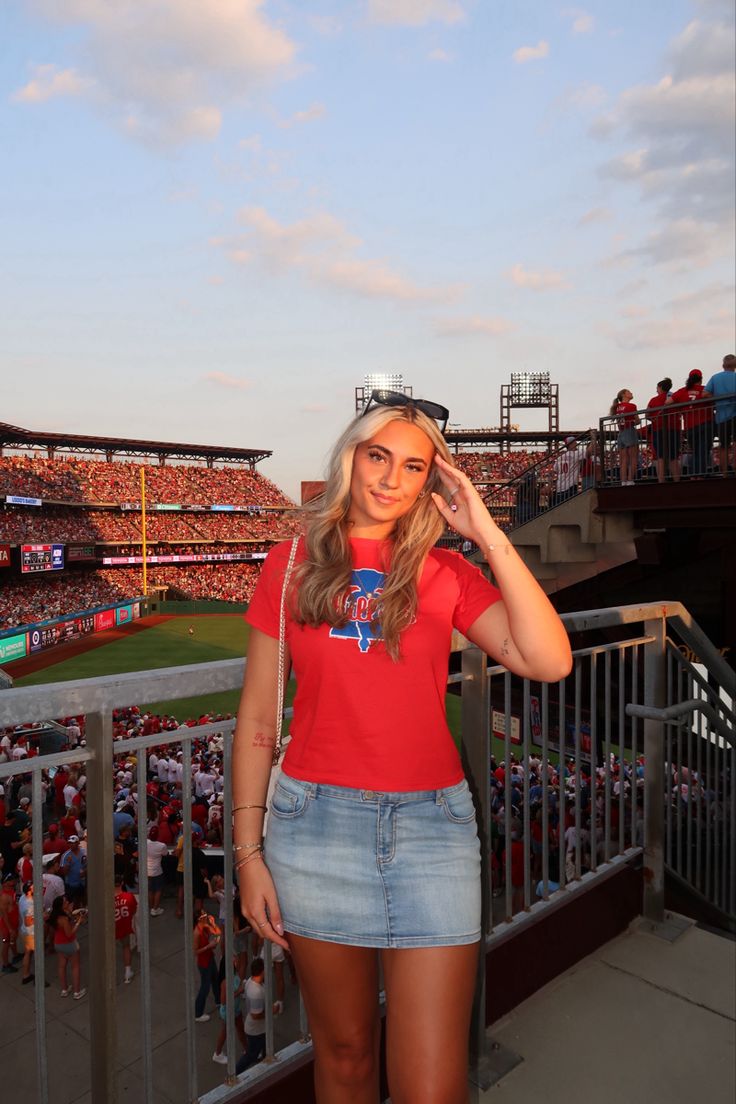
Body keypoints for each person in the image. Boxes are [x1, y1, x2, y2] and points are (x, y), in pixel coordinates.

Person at [232, 392, 572, 1103]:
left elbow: (548, 660)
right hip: (311, 829)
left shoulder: (447, 572)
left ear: (431, 481)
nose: (390, 479)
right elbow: (260, 719)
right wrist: (247, 854)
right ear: (350, 456)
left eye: (413, 466)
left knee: (432, 1086)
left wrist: (485, 530)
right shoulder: (289, 563)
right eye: (377, 456)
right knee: (347, 1057)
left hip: (431, 833)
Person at [671, 370, 713, 477]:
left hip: (690, 427)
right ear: (701, 379)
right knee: (703, 451)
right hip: (705, 423)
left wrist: (679, 407)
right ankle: (699, 475)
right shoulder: (705, 390)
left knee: (696, 452)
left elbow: (668, 402)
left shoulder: (683, 391)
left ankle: (694, 475)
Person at [47, 895, 87, 998]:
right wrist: (78, 922)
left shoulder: (54, 916)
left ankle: (64, 989)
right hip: (70, 944)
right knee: (75, 967)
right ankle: (77, 992)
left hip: (58, 944)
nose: (67, 902)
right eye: (65, 902)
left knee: (61, 966)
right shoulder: (63, 919)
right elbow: (69, 933)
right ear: (61, 906)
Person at [703, 354, 736, 474]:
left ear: (723, 365)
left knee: (724, 446)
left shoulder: (715, 378)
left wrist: (718, 398)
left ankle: (725, 473)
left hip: (721, 416)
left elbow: (704, 394)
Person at [235, 957, 267, 1075]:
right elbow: (256, 1015)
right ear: (262, 971)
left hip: (258, 1028)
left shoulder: (250, 981)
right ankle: (235, 1073)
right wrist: (271, 1011)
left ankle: (266, 1063)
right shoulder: (256, 992)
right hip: (256, 1030)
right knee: (251, 1054)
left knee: (265, 1047)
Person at [646, 378, 680, 483]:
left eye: (657, 388)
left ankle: (661, 480)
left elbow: (647, 415)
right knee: (673, 456)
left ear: (660, 388)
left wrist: (653, 418)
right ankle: (677, 480)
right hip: (674, 429)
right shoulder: (675, 398)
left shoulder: (653, 400)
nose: (656, 390)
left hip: (658, 429)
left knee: (660, 456)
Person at [193, 909, 221, 1022]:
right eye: (204, 915)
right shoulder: (197, 933)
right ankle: (198, 1013)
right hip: (204, 963)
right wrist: (208, 946)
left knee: (215, 980)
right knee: (205, 987)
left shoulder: (205, 928)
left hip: (209, 958)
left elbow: (217, 932)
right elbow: (195, 951)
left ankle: (219, 1001)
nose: (207, 917)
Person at [610, 389, 639, 484]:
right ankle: (630, 480)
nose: (631, 393)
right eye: (629, 392)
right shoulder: (631, 406)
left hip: (621, 433)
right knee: (633, 457)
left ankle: (623, 481)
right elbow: (637, 420)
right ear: (623, 395)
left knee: (623, 460)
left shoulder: (617, 407)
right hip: (629, 430)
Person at [113, 873, 137, 983]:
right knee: (126, 947)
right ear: (122, 883)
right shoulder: (129, 897)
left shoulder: (107, 899)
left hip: (112, 928)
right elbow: (133, 911)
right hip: (124, 927)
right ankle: (127, 972)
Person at [552, 436, 582, 505]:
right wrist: (593, 436)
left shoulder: (560, 457)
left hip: (560, 488)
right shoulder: (576, 454)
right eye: (575, 442)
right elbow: (590, 451)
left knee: (561, 509)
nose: (576, 443)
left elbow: (554, 470)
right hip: (570, 488)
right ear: (571, 443)